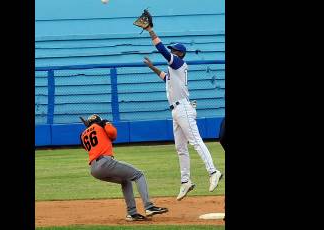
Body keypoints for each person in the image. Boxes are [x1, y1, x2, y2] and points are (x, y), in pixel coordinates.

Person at [142, 24, 223, 201]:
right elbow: (165, 77)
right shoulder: (174, 70)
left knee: (195, 141)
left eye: (174, 50)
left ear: (179, 54)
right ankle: (185, 181)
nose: (172, 52)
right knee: (180, 147)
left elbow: (162, 49)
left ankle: (213, 171)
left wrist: (150, 30)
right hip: (176, 111)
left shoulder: (178, 63)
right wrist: (152, 67)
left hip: (183, 108)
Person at [79, 114, 168, 221]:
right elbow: (113, 134)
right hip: (105, 162)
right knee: (139, 175)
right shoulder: (101, 125)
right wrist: (105, 123)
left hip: (94, 169)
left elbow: (88, 146)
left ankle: (132, 213)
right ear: (99, 120)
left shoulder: (83, 134)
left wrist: (91, 129)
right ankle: (149, 207)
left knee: (125, 180)